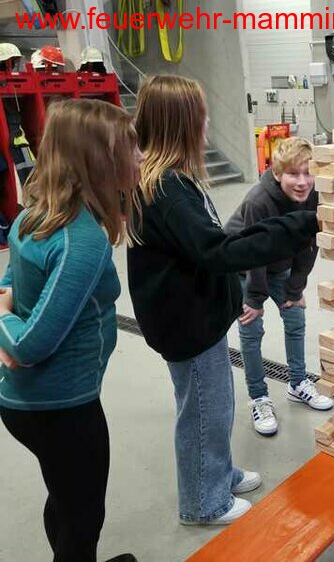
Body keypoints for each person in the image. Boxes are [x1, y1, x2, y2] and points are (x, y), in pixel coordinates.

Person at [127, 75, 319, 526]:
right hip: (187, 323)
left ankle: (217, 472)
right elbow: (219, 251)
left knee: (216, 406)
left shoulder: (176, 182)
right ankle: (203, 503)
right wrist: (304, 223)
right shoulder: (167, 191)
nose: (208, 123)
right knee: (202, 411)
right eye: (202, 116)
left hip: (199, 316)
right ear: (182, 124)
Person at [0, 99, 140, 562]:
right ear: (97, 160)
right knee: (83, 517)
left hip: (33, 402)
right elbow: (29, 344)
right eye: (129, 148)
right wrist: (3, 321)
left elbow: (9, 283)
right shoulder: (80, 238)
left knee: (65, 498)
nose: (140, 157)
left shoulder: (33, 215)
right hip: (61, 407)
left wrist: (5, 312)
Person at [225, 137, 334, 436]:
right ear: (276, 173)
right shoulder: (258, 201)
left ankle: (297, 383)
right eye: (293, 174)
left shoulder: (314, 195)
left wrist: (295, 289)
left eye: (308, 173)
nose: (302, 182)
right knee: (251, 328)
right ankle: (259, 397)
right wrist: (254, 299)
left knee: (295, 317)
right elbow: (253, 253)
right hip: (245, 265)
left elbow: (308, 244)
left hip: (279, 262)